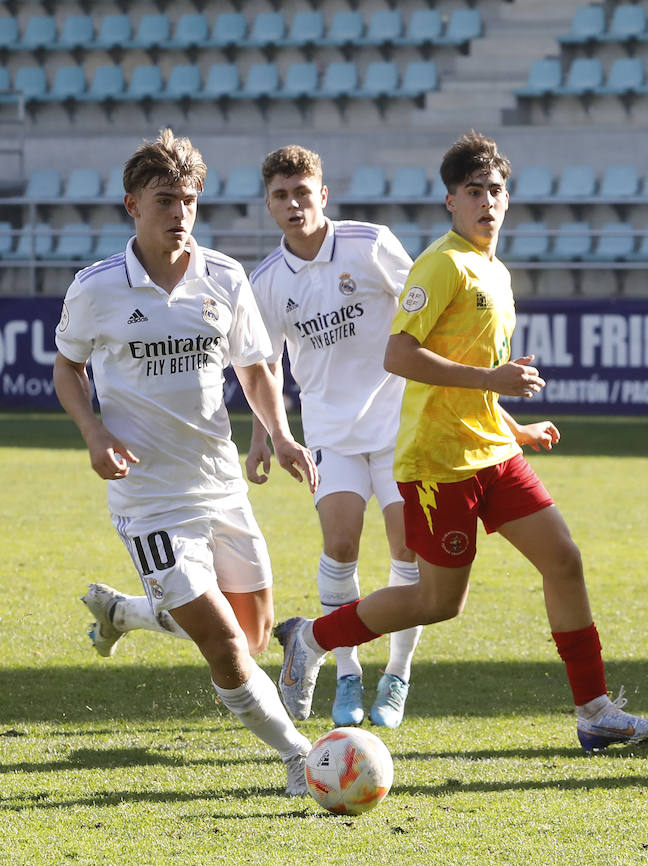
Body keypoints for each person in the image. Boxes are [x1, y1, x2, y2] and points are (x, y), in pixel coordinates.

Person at [273, 131, 648, 752]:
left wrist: (513, 426)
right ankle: (313, 639)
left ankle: (593, 712)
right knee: (437, 602)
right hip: (439, 465)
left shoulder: (495, 270)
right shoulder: (441, 264)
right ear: (451, 203)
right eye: (474, 192)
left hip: (493, 452)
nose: (488, 201)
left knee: (563, 560)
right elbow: (399, 354)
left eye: (496, 190)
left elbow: (474, 378)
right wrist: (495, 380)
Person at [56, 129, 319, 795]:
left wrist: (281, 436)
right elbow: (67, 367)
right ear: (131, 206)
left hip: (220, 485)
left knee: (252, 635)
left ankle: (127, 613)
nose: (180, 212)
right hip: (148, 499)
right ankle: (299, 758)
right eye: (166, 199)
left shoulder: (224, 278)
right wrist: (92, 433)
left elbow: (255, 369)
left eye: (190, 200)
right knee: (228, 649)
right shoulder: (97, 289)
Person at [246, 145, 424, 729]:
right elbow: (262, 365)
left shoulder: (369, 244)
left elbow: (423, 311)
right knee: (341, 545)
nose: (293, 204)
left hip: (398, 424)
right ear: (268, 205)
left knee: (408, 554)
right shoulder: (267, 281)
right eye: (281, 195)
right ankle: (347, 672)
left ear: (323, 195)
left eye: (303, 192)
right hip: (330, 434)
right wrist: (266, 435)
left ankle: (397, 675)